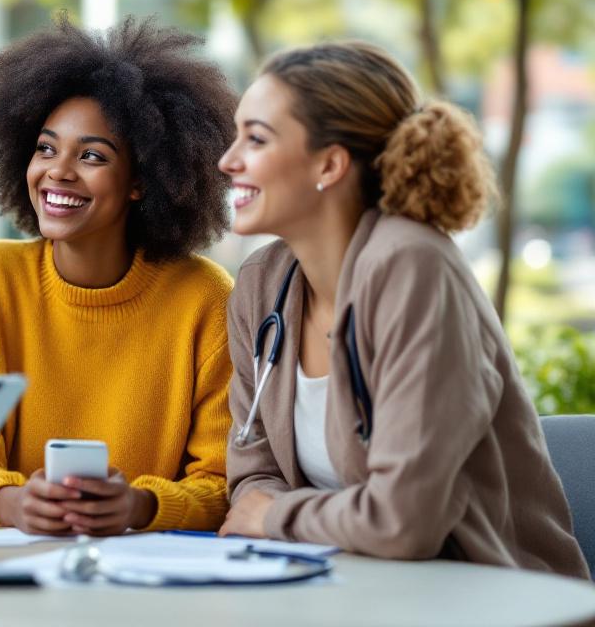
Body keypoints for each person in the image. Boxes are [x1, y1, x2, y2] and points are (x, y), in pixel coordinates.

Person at [217, 40, 589, 578]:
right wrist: (269, 510)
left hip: (492, 600)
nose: (228, 160)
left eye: (255, 139)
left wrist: (277, 515)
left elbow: (404, 521)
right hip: (348, 593)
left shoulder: (412, 268)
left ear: (329, 163)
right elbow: (251, 477)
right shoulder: (261, 285)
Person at [0, 15, 237, 535]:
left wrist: (140, 506)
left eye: (91, 155)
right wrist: (11, 502)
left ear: (141, 181)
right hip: (12, 572)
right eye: (46, 148)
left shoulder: (204, 298)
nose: (58, 171)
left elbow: (223, 481)